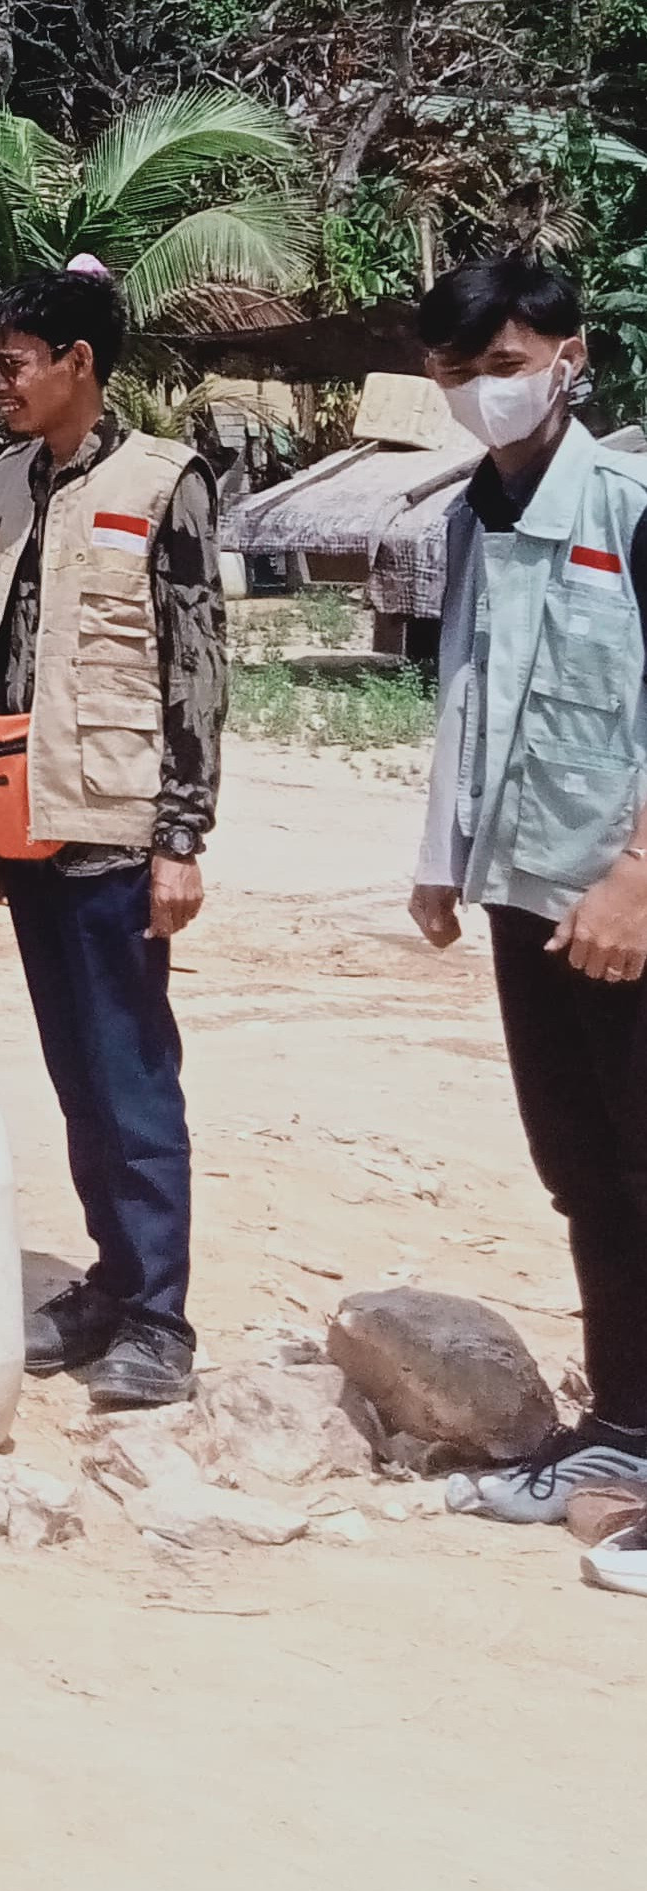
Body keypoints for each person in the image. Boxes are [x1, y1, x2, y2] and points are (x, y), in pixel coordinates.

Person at [408, 254, 647, 1519]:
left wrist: (639, 875)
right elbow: (470, 686)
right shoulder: (469, 514)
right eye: (457, 374)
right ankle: (624, 1426)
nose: (481, 394)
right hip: (523, 890)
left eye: (502, 368)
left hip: (626, 900)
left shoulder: (630, 504)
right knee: (584, 1171)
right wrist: (443, 858)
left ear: (569, 357)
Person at [0, 268, 225, 1409]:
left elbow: (197, 665)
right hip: (31, 819)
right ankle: (111, 1284)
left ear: (79, 362)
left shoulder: (165, 480)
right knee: (76, 1075)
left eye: (16, 363)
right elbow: (2, 654)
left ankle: (159, 1317)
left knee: (130, 1074)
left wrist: (182, 835)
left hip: (122, 826)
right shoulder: (10, 483)